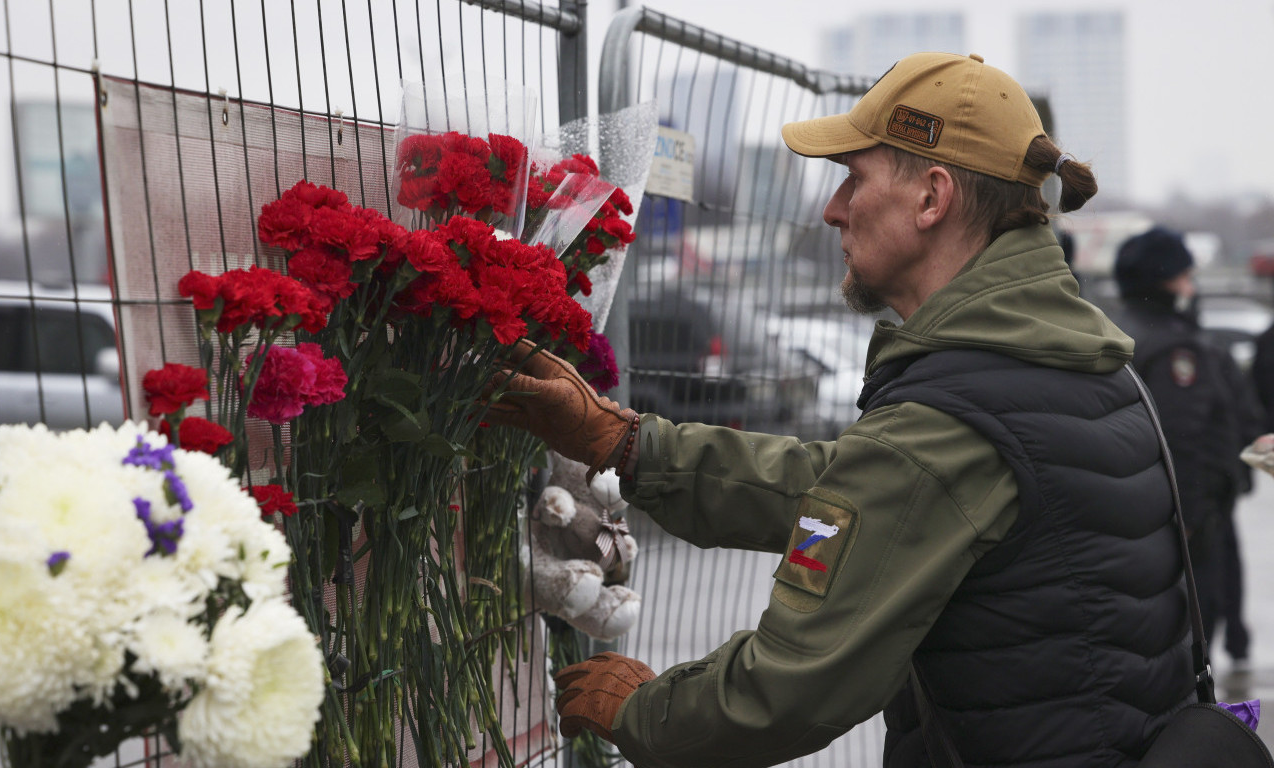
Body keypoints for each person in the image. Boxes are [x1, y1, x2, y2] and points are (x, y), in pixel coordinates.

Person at [488, 52, 1194, 767]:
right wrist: (629, 444)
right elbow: (857, 489)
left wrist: (641, 708)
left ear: (932, 198)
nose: (832, 209)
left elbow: (787, 689)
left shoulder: (948, 422)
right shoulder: (1078, 365)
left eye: (854, 178)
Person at [1106, 226, 1247, 649]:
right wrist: (1190, 522)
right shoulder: (1174, 346)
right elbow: (1182, 439)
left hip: (1137, 516)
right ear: (1165, 280)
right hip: (1185, 526)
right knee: (1193, 632)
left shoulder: (1115, 329)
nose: (1191, 286)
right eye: (1185, 276)